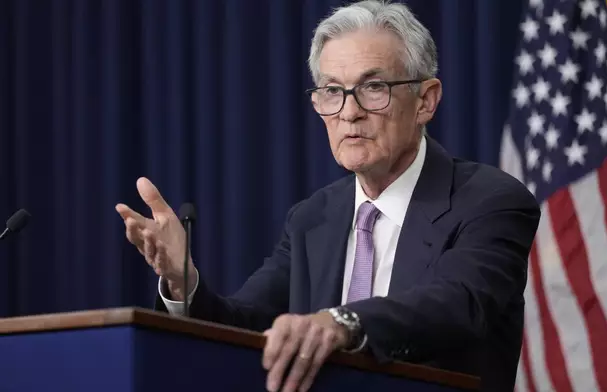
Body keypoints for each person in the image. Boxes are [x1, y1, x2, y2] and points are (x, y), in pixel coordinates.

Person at [115, 1, 540, 391]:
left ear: (425, 101)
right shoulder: (312, 219)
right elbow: (242, 329)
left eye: (374, 88)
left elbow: (457, 304)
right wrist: (183, 282)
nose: (349, 112)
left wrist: (343, 323)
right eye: (332, 92)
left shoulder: (491, 200)